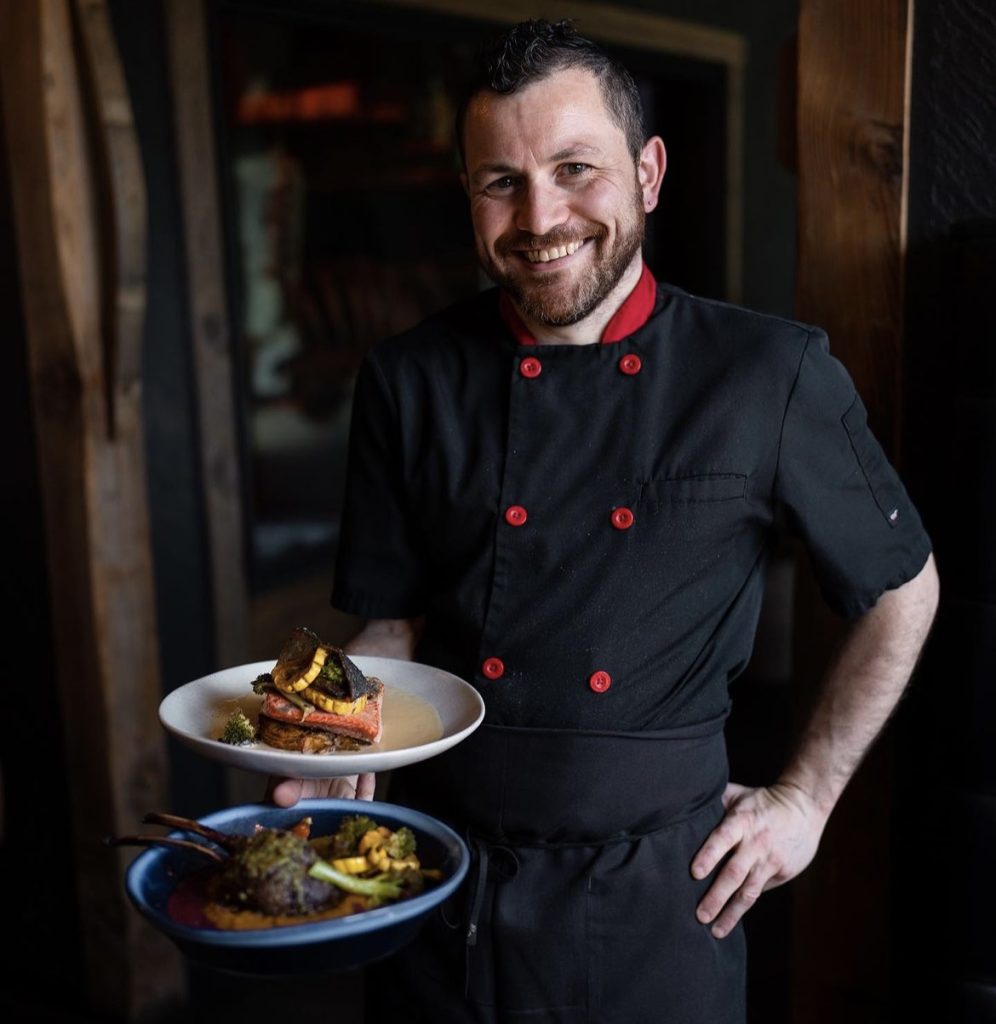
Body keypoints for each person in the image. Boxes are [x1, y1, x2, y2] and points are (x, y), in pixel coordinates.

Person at [269, 19, 939, 1023]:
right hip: (436, 879)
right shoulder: (408, 380)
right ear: (469, 196)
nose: (540, 216)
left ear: (648, 171)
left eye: (575, 168)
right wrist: (339, 741)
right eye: (501, 181)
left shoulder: (768, 374)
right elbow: (389, 624)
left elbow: (902, 587)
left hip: (656, 909)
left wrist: (803, 802)